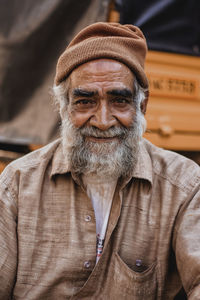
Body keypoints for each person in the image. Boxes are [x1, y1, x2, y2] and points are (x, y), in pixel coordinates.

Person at [0, 22, 199, 300]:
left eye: (119, 101)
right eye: (85, 102)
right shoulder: (17, 184)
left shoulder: (184, 185)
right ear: (63, 107)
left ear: (142, 106)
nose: (103, 121)